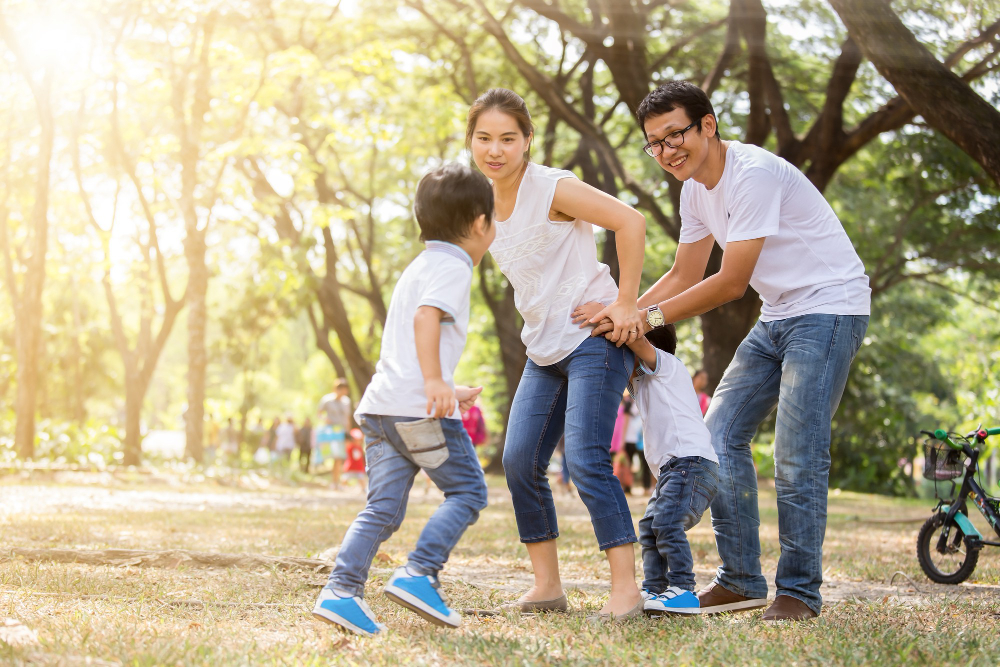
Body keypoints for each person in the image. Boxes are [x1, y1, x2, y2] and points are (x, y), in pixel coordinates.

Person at [591, 81, 870, 620]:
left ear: (708, 125)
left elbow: (730, 282)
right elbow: (684, 272)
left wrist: (643, 318)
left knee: (797, 450)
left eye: (676, 135)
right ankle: (742, 579)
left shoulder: (753, 174)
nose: (668, 151)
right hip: (780, 312)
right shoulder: (693, 189)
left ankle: (799, 592)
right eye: (656, 143)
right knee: (714, 438)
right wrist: (619, 315)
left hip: (830, 306)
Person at [468, 88, 647, 621]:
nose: (494, 150)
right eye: (483, 138)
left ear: (527, 141)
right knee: (519, 460)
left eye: (507, 138)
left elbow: (630, 221)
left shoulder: (552, 188)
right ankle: (546, 585)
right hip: (543, 348)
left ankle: (626, 589)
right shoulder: (479, 204)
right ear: (471, 142)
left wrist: (625, 303)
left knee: (587, 459)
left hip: (593, 338)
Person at [312, 162, 494, 636]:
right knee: (469, 491)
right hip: (416, 409)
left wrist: (448, 386)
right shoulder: (454, 265)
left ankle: (342, 591)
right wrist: (435, 383)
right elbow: (427, 320)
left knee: (383, 508)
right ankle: (419, 573)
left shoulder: (417, 267)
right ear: (479, 223)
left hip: (381, 408)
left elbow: (402, 349)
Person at [576, 304, 719, 614]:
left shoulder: (665, 364)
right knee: (650, 526)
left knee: (666, 522)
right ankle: (655, 590)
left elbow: (638, 336)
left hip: (691, 464)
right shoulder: (638, 380)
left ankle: (683, 588)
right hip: (674, 470)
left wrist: (612, 311)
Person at [342, 428, 368, 493]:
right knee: (345, 478)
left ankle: (363, 489)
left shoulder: (360, 448)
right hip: (350, 467)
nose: (357, 441)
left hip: (359, 467)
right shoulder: (350, 447)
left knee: (361, 478)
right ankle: (342, 487)